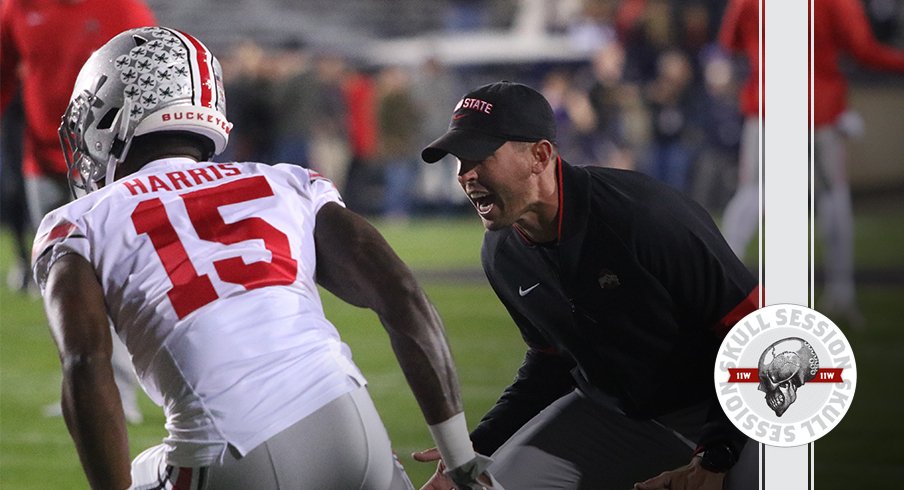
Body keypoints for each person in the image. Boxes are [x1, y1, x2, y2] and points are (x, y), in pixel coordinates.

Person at [33, 27, 498, 490]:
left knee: (137, 475)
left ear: (115, 114)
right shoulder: (286, 182)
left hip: (229, 451)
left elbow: (86, 363)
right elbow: (401, 295)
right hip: (354, 430)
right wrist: (460, 459)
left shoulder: (79, 221)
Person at [415, 81, 759, 490]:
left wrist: (717, 454)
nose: (464, 175)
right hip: (610, 413)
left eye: (480, 157)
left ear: (539, 156)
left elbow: (759, 335)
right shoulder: (503, 253)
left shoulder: (643, 216)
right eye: (458, 159)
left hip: (724, 409)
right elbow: (552, 360)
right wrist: (475, 447)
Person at [1, 0, 155, 424]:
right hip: (41, 161)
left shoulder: (122, 6)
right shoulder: (17, 8)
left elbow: (147, 73)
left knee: (114, 277)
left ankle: (120, 391)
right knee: (59, 282)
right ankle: (81, 388)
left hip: (105, 161)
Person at [719, 0, 904, 328]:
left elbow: (729, 41)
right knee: (833, 196)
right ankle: (841, 294)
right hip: (817, 106)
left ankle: (717, 287)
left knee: (753, 194)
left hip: (767, 103)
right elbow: (862, 49)